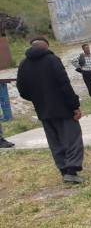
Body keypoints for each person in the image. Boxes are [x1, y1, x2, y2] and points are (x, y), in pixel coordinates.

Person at [17, 37, 84, 183]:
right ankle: (72, 171)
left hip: (43, 110)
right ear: (46, 47)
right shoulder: (52, 60)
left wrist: (38, 99)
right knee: (72, 139)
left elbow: (22, 90)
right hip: (63, 109)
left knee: (55, 142)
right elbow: (64, 84)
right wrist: (74, 105)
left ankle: (64, 171)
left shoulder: (23, 64)